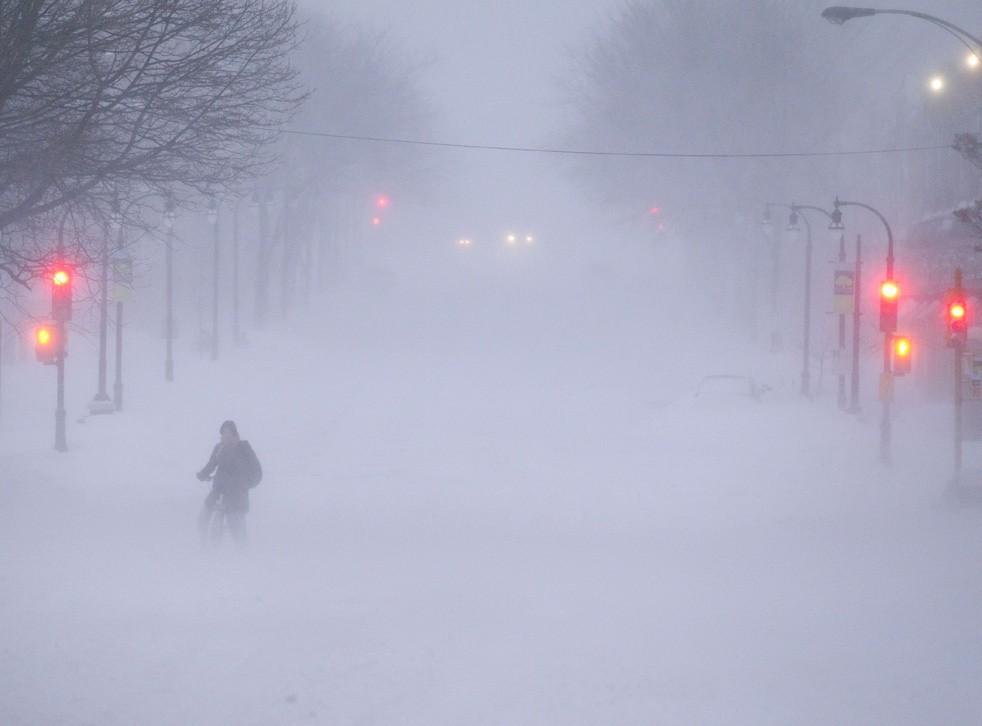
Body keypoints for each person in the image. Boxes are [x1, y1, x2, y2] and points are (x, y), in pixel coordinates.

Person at [196, 420, 262, 547]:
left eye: (227, 432)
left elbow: (257, 471)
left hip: (236, 494)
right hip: (219, 489)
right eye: (223, 433)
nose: (224, 436)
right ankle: (206, 546)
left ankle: (242, 554)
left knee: (236, 526)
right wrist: (203, 474)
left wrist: (246, 484)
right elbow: (211, 464)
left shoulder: (243, 448)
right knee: (203, 518)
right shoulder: (219, 448)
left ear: (234, 433)